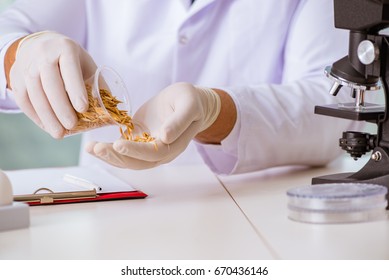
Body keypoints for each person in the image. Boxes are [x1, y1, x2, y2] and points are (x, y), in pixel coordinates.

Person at [0, 0, 355, 175]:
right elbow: (12, 24)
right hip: (110, 204)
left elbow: (335, 107)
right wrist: (20, 51)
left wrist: (215, 110)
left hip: (261, 208)